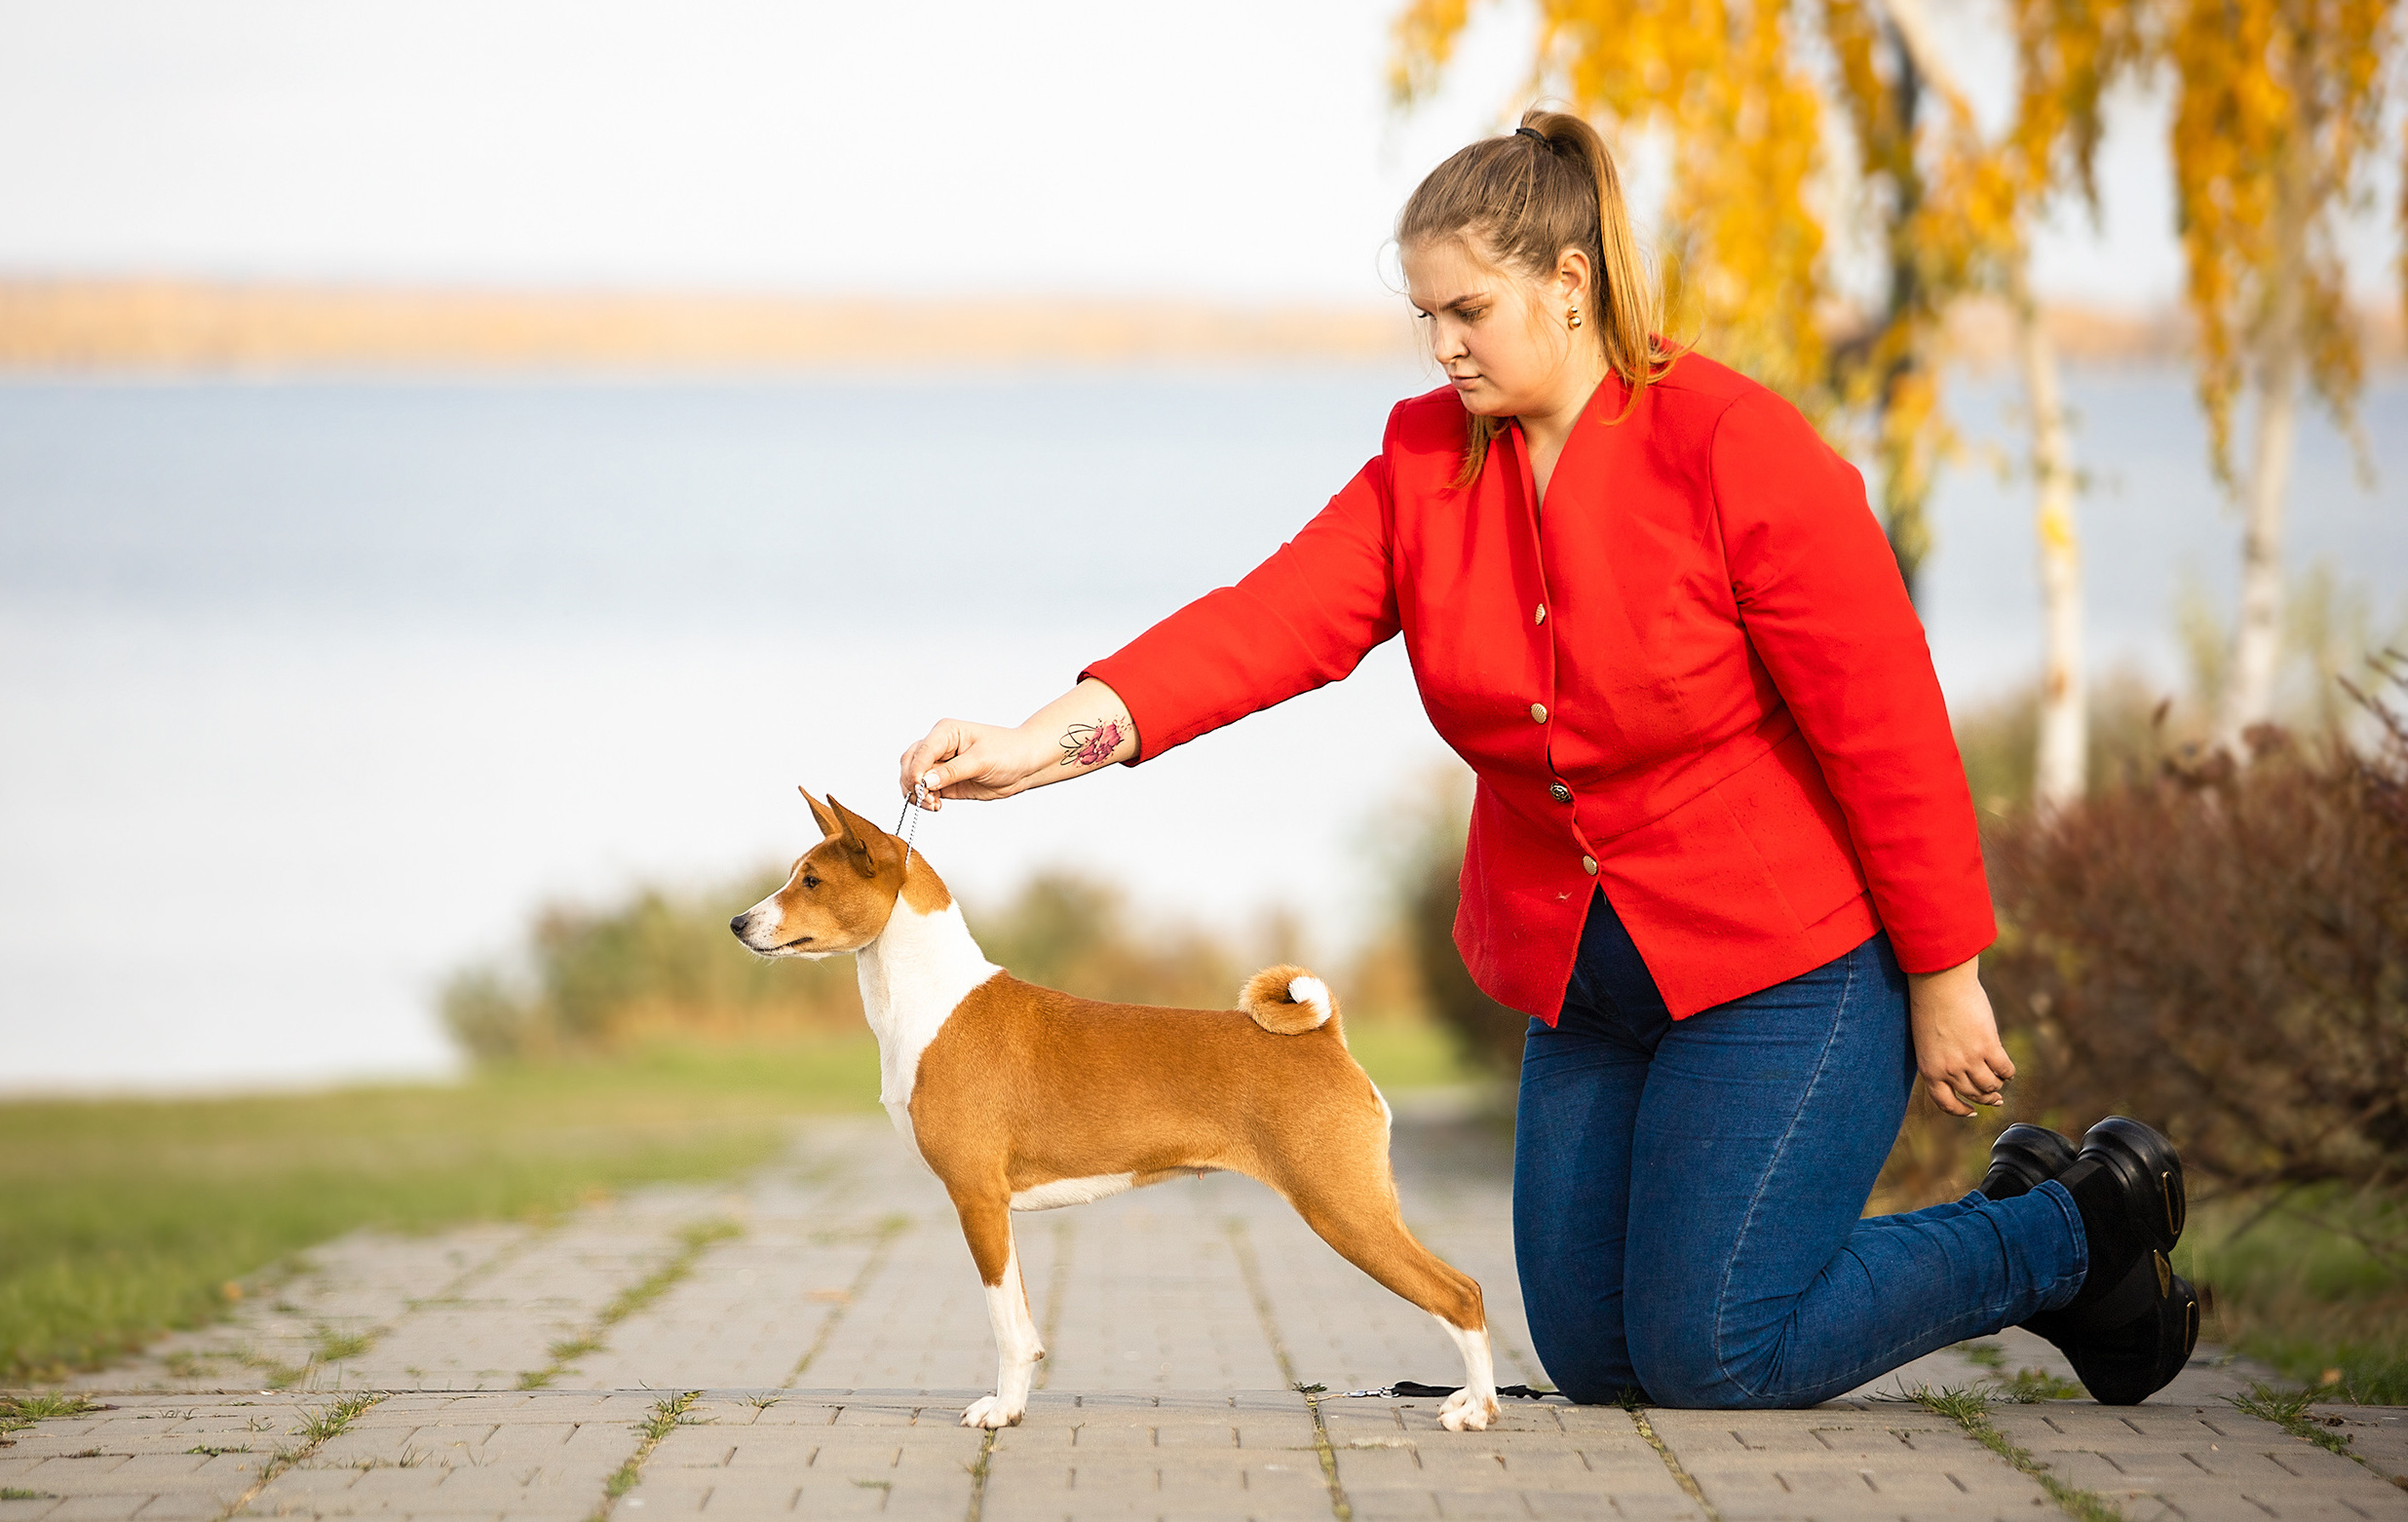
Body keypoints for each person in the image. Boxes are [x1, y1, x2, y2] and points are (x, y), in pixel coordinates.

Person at [895, 110, 2196, 1410]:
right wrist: (1035, 744)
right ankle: (2037, 1217)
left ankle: (2071, 1230)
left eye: (1468, 310)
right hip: (1586, 985)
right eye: (1426, 316)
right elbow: (1264, 626)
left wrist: (1944, 971)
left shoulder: (1736, 447)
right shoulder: (1424, 462)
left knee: (1714, 1351)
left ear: (1570, 284)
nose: (1443, 345)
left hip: (1787, 968)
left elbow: (1886, 724)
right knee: (1595, 1357)